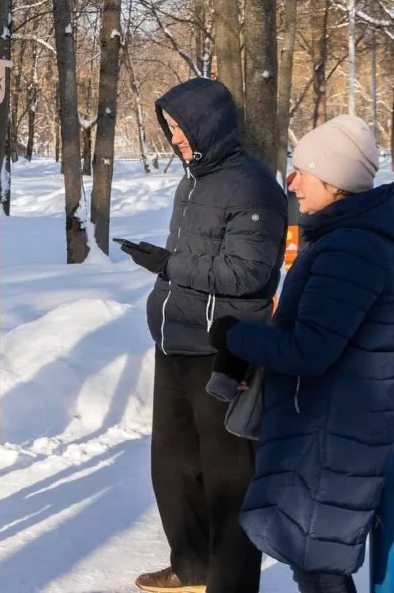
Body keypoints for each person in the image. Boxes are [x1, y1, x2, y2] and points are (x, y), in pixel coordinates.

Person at [208, 115, 394, 593]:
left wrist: (235, 336)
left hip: (332, 436)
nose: (292, 182)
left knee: (319, 567)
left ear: (335, 179)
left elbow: (309, 350)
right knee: (314, 560)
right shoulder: (346, 239)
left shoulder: (352, 249)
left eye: (303, 171)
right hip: (331, 429)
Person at [118, 78, 287, 593]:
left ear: (209, 125)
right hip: (175, 341)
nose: (177, 139)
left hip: (224, 349)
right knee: (172, 468)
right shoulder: (191, 180)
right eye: (170, 129)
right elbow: (195, 262)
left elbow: (247, 274)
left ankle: (230, 584)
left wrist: (168, 263)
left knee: (227, 479)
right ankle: (191, 568)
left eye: (183, 128)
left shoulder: (254, 185)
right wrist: (166, 269)